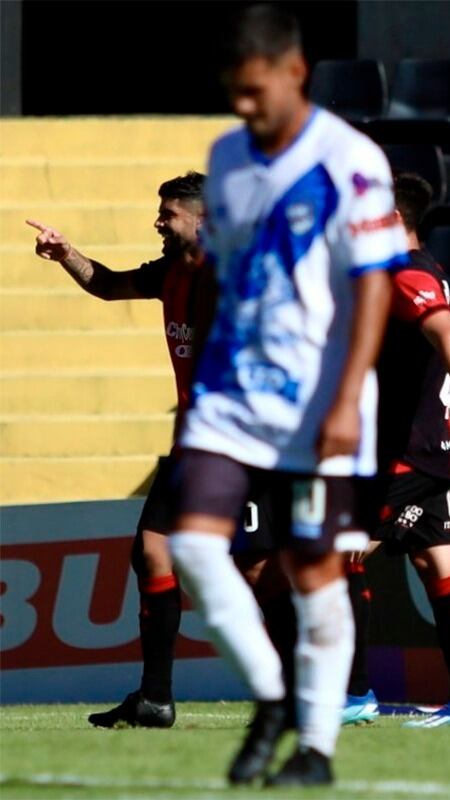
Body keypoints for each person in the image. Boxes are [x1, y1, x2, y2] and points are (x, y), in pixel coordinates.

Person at [167, 4, 405, 787]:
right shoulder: (227, 158)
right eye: (233, 92)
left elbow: (374, 286)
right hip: (233, 398)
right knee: (192, 547)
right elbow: (224, 277)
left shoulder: (350, 160)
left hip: (318, 403)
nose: (244, 107)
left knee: (312, 574)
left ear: (295, 72)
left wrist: (346, 398)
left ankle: (316, 749)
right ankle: (273, 697)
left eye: (255, 91)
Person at [28, 174, 214, 729]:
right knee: (152, 552)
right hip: (196, 446)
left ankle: (319, 693)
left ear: (204, 219)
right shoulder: (170, 272)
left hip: (243, 444)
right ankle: (155, 699)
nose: (158, 222)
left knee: (259, 571)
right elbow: (108, 285)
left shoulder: (236, 275)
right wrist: (66, 254)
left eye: (169, 214)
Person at [344, 174, 450, 728]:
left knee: (338, 557)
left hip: (407, 454)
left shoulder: (408, 274)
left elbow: (449, 336)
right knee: (442, 568)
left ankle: (352, 693)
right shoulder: (414, 270)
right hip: (429, 450)